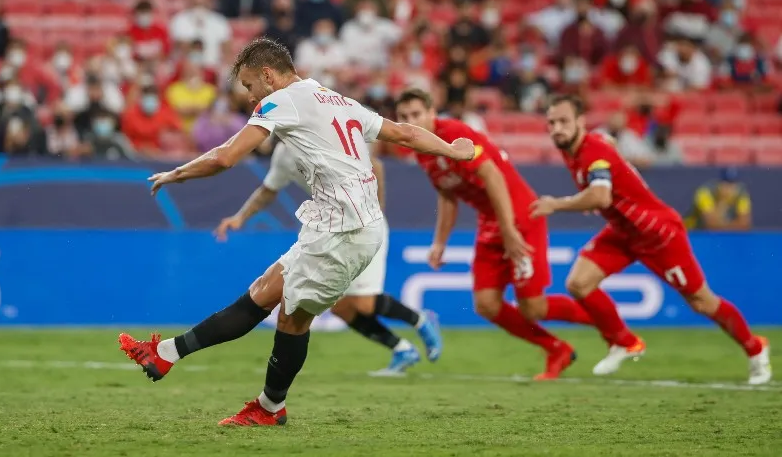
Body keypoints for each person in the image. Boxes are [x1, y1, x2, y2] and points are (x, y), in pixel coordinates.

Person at [119, 37, 474, 426]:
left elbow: (225, 157)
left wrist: (177, 173)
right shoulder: (335, 98)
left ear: (268, 76)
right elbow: (405, 133)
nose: (250, 97)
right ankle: (166, 354)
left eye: (250, 86)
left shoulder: (280, 101)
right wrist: (452, 150)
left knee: (292, 320)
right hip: (336, 223)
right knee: (263, 292)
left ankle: (270, 407)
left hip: (346, 230)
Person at [531, 95, 771, 385]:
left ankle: (755, 348)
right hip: (623, 232)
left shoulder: (591, 151)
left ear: (580, 121)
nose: (556, 128)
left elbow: (601, 194)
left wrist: (557, 204)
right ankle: (624, 341)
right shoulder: (580, 146)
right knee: (579, 283)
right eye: (551, 123)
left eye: (563, 121)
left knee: (702, 302)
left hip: (658, 234)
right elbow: (607, 156)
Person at [394, 89, 628, 380]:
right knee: (486, 305)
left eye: (416, 115)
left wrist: (508, 229)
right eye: (403, 117)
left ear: (431, 112)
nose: (410, 122)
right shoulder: (424, 150)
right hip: (491, 222)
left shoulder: (453, 132)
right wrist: (440, 241)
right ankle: (556, 348)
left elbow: (492, 175)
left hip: (519, 217)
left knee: (534, 307)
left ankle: (610, 325)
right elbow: (447, 195)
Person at [214, 141, 444, 376]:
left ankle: (421, 319)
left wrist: (377, 212)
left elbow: (376, 165)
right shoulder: (284, 153)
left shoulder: (321, 135)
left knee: (363, 302)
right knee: (342, 307)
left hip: (365, 225)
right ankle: (402, 349)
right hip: (335, 229)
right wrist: (240, 217)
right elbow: (268, 190)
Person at [685, 168, 752, 231]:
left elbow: (744, 225)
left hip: (717, 236)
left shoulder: (741, 194)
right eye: (725, 183)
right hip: (692, 232)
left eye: (732, 184)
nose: (729, 188)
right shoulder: (705, 193)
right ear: (719, 184)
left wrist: (724, 225)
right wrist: (722, 203)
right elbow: (711, 225)